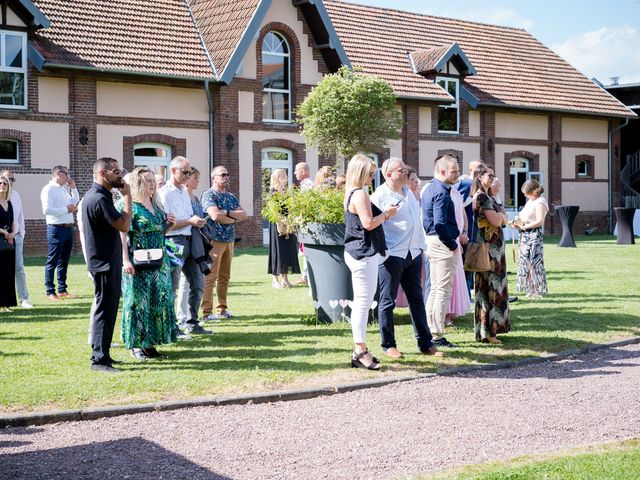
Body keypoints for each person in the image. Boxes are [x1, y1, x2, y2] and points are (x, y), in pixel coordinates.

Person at [371, 157, 442, 358]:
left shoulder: (409, 193)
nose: (404, 172)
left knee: (417, 300)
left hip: (413, 252)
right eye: (400, 170)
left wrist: (420, 247)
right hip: (393, 254)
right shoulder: (379, 196)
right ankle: (388, 345)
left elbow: (416, 221)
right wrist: (384, 251)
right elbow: (373, 225)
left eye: (404, 169)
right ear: (388, 174)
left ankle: (426, 343)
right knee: (387, 301)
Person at [344, 155, 396, 370]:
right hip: (363, 253)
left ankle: (360, 349)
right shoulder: (360, 194)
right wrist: (387, 214)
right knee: (363, 304)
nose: (373, 176)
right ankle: (360, 350)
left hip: (358, 251)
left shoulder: (350, 193)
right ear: (360, 173)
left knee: (363, 303)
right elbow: (368, 224)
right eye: (370, 172)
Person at [120, 167, 178, 360]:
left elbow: (161, 232)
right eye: (148, 180)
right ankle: (137, 345)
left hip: (159, 263)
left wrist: (169, 223)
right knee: (138, 303)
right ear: (138, 183)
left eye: (153, 180)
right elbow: (122, 234)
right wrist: (125, 260)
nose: (152, 183)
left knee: (157, 302)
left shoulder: (156, 204)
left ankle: (151, 344)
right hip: (137, 263)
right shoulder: (130, 205)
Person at [82, 157, 132, 372]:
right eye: (115, 171)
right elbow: (124, 225)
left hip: (107, 262)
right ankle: (99, 359)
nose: (120, 175)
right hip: (103, 264)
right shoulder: (99, 198)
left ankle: (104, 354)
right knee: (105, 309)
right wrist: (128, 196)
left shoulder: (101, 195)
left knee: (109, 308)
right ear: (103, 173)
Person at [158, 156, 211, 336]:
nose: (188, 176)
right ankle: (172, 326)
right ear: (173, 170)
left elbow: (187, 217)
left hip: (191, 240)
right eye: (185, 172)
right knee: (171, 286)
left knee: (197, 283)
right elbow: (166, 224)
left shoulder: (183, 191)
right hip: (174, 242)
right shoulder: (164, 193)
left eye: (190, 172)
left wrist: (196, 222)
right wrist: (190, 221)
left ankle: (192, 322)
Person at [422, 155, 461, 349]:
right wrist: (451, 244)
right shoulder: (440, 192)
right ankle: (436, 334)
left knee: (436, 289)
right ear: (442, 171)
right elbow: (439, 223)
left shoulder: (431, 188)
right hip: (441, 243)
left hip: (434, 242)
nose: (457, 175)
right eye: (454, 171)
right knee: (442, 291)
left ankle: (431, 331)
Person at [201, 165, 247, 321]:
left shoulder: (231, 196)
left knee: (224, 277)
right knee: (210, 277)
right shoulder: (209, 194)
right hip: (215, 240)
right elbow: (214, 216)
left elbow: (243, 215)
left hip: (229, 240)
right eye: (222, 175)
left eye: (227, 174)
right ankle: (206, 312)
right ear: (213, 177)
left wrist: (226, 212)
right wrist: (233, 218)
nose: (226, 177)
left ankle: (222, 309)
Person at [471, 164, 510, 344]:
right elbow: (497, 219)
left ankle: (488, 331)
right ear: (479, 177)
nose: (492, 178)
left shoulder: (490, 196)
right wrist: (500, 217)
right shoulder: (481, 197)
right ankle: (490, 332)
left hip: (495, 247)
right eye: (489, 175)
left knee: (491, 287)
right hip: (488, 249)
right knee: (490, 288)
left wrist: (500, 216)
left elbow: (504, 217)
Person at [40, 165, 79, 301]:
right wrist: (65, 209)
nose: (68, 177)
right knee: (53, 261)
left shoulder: (63, 189)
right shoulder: (48, 189)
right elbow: (46, 210)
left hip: (68, 228)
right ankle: (50, 291)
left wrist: (73, 188)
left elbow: (74, 202)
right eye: (66, 174)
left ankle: (62, 289)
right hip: (56, 228)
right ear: (58, 174)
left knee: (64, 260)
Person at [176, 167, 204, 325]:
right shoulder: (181, 195)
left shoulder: (195, 198)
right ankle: (181, 318)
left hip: (195, 241)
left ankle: (192, 320)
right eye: (195, 177)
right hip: (181, 241)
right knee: (182, 283)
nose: (197, 180)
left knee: (196, 283)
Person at [1, 170, 31, 308]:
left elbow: (19, 218)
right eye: (7, 179)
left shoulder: (16, 196)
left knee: (17, 268)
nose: (9, 183)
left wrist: (18, 234)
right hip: (2, 237)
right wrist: (5, 233)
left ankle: (24, 299)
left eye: (12, 180)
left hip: (15, 237)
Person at [515, 179, 549, 298]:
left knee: (534, 261)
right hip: (525, 235)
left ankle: (537, 289)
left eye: (527, 192)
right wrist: (517, 222)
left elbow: (540, 221)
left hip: (533, 235)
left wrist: (524, 226)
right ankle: (530, 288)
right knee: (525, 261)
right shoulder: (530, 201)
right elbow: (522, 216)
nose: (525, 195)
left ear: (534, 191)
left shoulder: (540, 201)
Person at [267, 169, 300, 288]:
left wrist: (292, 220)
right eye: (284, 175)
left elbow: (291, 207)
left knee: (288, 251)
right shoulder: (272, 192)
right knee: (278, 251)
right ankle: (274, 279)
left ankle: (285, 278)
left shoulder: (286, 192)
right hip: (277, 225)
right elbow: (273, 211)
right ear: (279, 177)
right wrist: (284, 221)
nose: (286, 177)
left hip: (288, 225)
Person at [445, 182, 471, 324]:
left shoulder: (457, 194)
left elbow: (463, 215)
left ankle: (453, 310)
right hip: (447, 238)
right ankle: (444, 314)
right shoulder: (440, 191)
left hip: (456, 237)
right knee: (447, 278)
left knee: (456, 277)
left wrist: (465, 232)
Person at [0, 174, 17, 311]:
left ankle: (6, 303)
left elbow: (14, 221)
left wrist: (13, 233)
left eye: (5, 183)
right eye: (0, 183)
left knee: (8, 272)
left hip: (9, 241)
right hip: (1, 238)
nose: (3, 185)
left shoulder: (9, 203)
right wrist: (4, 232)